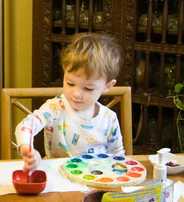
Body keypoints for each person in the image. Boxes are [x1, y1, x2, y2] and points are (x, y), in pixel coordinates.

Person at [15, 32, 124, 174]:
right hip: (59, 179)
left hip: (96, 181)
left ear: (107, 86)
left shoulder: (109, 119)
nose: (76, 94)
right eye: (70, 83)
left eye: (88, 88)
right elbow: (27, 125)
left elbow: (118, 157)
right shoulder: (55, 108)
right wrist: (27, 148)